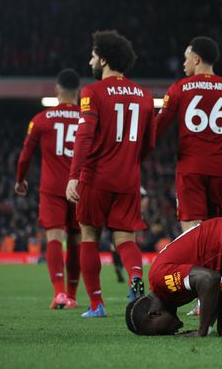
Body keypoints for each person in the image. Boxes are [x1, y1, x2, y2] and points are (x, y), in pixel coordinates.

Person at [66, 30, 156, 318]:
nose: (90, 60)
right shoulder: (144, 96)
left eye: (93, 55)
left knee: (89, 235)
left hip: (96, 176)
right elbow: (150, 143)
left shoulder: (92, 92)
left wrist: (73, 174)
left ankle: (96, 305)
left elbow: (84, 135)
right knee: (125, 239)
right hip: (128, 179)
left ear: (103, 59)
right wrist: (130, 161)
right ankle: (133, 276)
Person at [155, 36, 222, 233]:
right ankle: (215, 265)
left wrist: (134, 158)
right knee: (215, 233)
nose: (184, 63)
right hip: (221, 171)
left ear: (196, 59)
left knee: (192, 233)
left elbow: (156, 130)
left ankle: (197, 264)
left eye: (186, 58)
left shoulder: (179, 88)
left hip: (191, 169)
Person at [15, 68, 82, 309]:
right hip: (79, 188)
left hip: (52, 187)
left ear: (56, 90)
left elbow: (25, 157)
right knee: (76, 240)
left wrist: (21, 179)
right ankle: (72, 296)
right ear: (78, 93)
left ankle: (59, 294)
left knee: (54, 237)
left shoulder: (41, 120)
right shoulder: (87, 117)